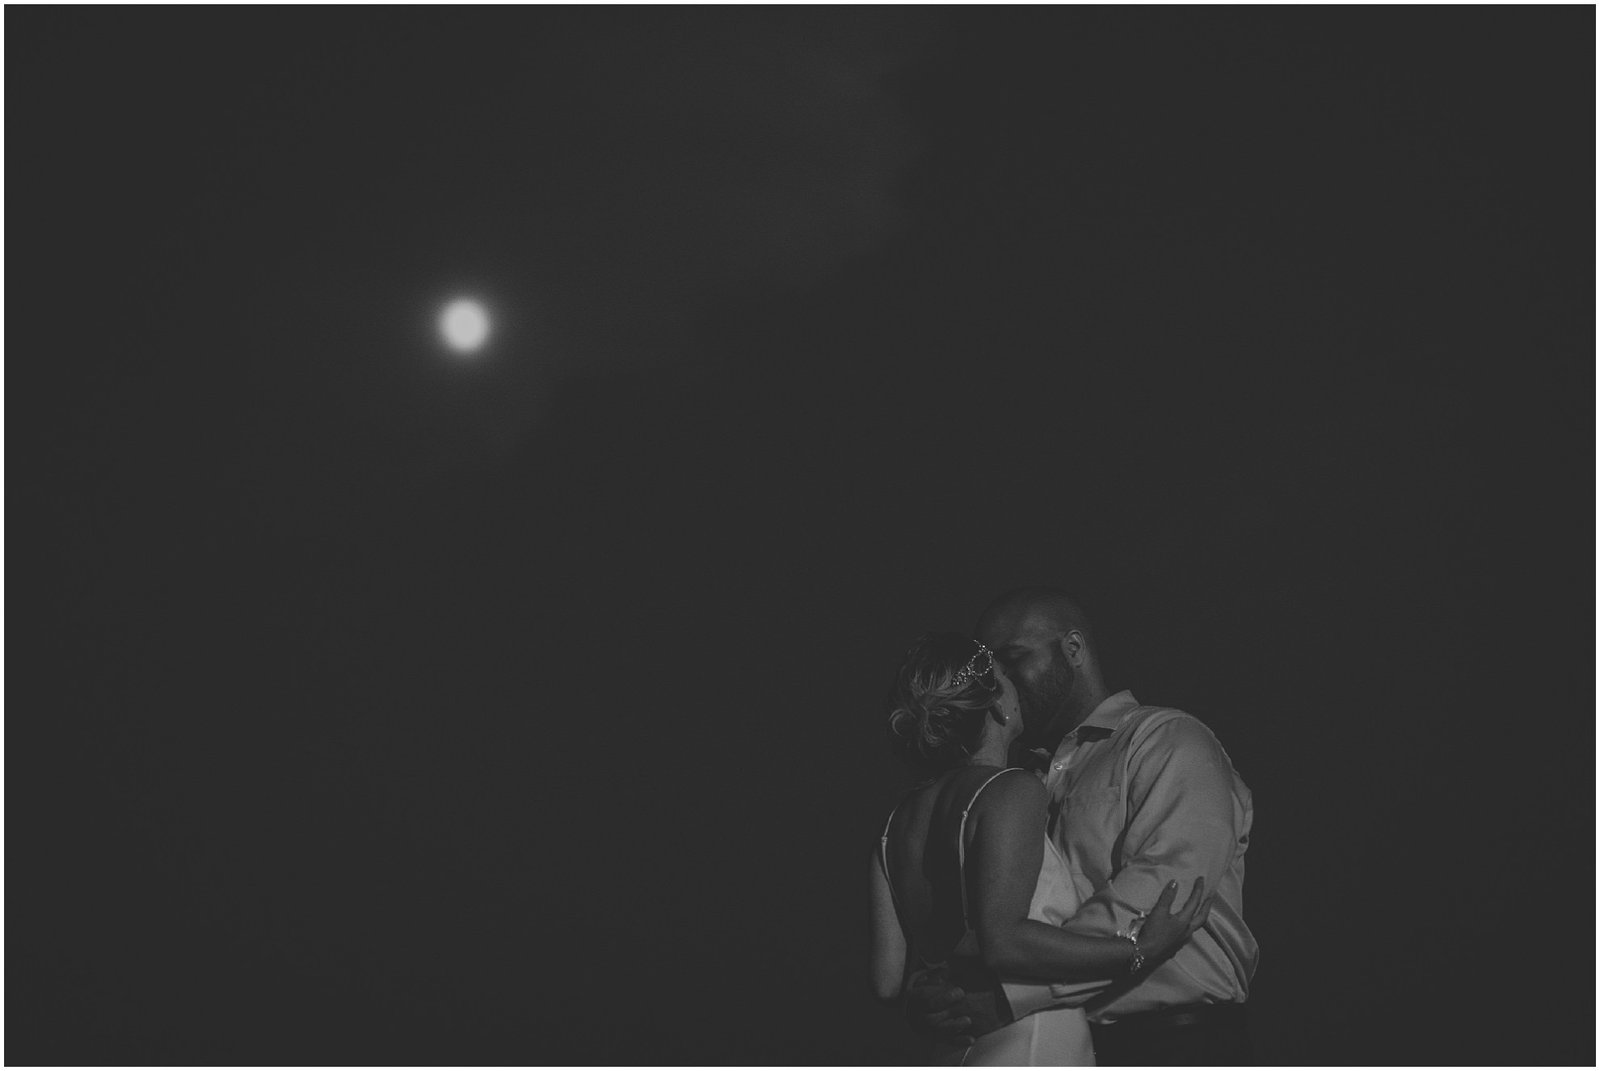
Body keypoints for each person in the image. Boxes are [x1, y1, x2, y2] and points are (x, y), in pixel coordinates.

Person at [906, 588, 1258, 1065]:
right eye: (987, 672)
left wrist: (1008, 994)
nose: (996, 683)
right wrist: (939, 989)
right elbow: (980, 917)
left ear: (1073, 649)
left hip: (1175, 1042)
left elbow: (1165, 893)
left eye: (1011, 660)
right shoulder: (1013, 787)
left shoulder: (1167, 740)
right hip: (1063, 1046)